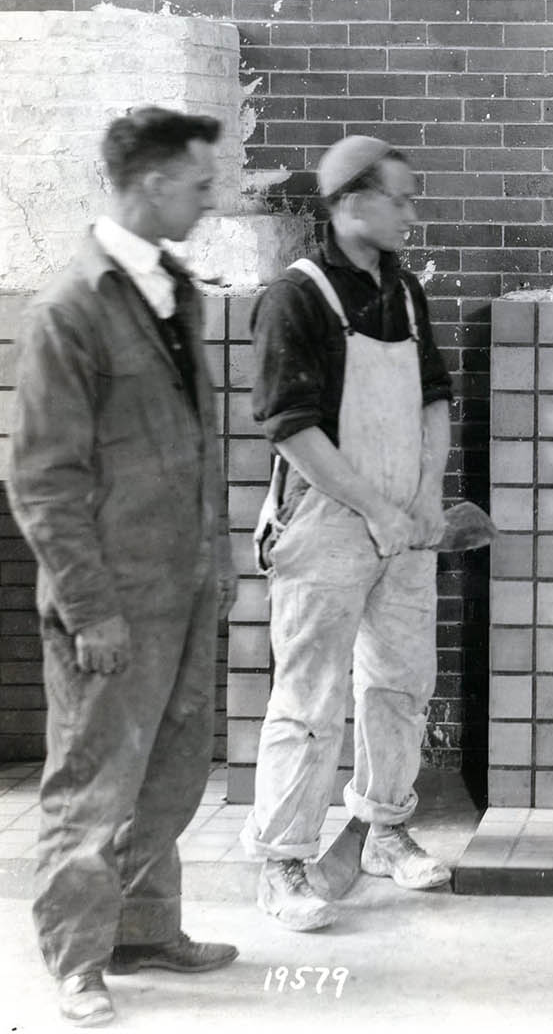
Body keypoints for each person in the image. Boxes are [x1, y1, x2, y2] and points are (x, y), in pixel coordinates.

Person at [7, 108, 238, 1027]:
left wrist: (212, 568)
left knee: (172, 773)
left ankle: (145, 929)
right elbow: (44, 481)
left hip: (181, 589)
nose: (210, 198)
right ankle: (75, 960)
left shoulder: (173, 288)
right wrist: (91, 610)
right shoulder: (71, 308)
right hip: (110, 602)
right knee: (94, 783)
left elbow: (192, 446)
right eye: (199, 182)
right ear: (149, 183)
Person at [241, 135, 453, 931]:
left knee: (400, 684)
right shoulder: (295, 299)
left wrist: (427, 494)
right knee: (309, 698)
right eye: (399, 198)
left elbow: (434, 396)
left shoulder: (401, 292)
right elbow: (294, 432)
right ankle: (283, 862)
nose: (410, 212)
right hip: (325, 522)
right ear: (352, 203)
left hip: (403, 521)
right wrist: (375, 506)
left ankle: (384, 830)